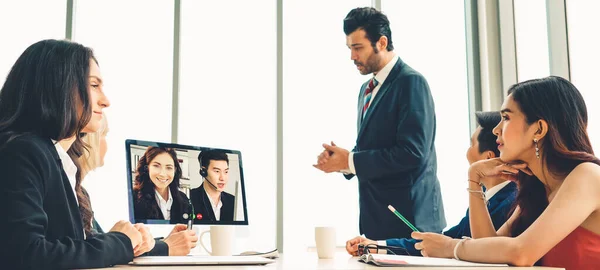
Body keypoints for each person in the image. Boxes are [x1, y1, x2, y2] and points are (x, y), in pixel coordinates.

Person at [413, 76, 600, 269]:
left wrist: (451, 247)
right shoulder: (538, 189)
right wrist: (474, 178)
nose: (496, 130)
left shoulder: (587, 176)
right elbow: (488, 249)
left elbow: (521, 253)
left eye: (506, 118)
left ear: (539, 130)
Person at [0, 39, 149, 269]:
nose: (106, 100)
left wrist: (133, 241)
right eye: (94, 85)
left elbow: (70, 245)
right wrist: (120, 242)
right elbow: (27, 254)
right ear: (59, 86)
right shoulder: (24, 152)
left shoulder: (53, 157)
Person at [313, 7, 445, 240]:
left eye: (358, 48)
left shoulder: (411, 82)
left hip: (410, 223)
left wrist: (350, 160)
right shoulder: (367, 89)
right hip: (378, 223)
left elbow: (412, 153)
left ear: (382, 43)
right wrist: (342, 162)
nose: (352, 56)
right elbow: (375, 148)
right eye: (349, 48)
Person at [346, 111, 517, 256]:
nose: (467, 151)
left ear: (487, 157)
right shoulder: (486, 198)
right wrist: (377, 245)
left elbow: (481, 248)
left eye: (471, 144)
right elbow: (442, 241)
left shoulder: (511, 201)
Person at [80, 116, 198, 256]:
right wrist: (165, 246)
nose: (163, 173)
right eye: (104, 135)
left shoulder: (81, 193)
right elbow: (97, 250)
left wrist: (165, 243)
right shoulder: (137, 197)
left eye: (169, 167)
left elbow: (98, 246)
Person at [132, 147, 190, 223]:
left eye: (169, 167)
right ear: (147, 168)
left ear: (175, 171)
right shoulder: (133, 198)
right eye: (156, 166)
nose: (163, 174)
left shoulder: (183, 199)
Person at [190, 149, 235, 222]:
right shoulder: (189, 198)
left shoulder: (234, 202)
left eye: (226, 172)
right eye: (217, 171)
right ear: (203, 172)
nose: (222, 178)